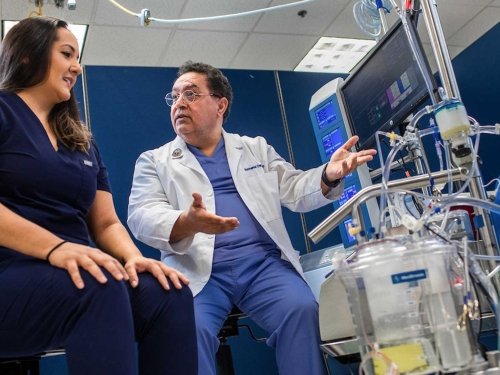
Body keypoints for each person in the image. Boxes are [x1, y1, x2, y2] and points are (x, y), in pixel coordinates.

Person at [127, 61, 376, 375]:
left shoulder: (254, 148)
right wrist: (186, 222)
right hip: (199, 272)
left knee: (301, 311)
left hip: (262, 266)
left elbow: (295, 189)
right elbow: (141, 215)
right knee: (186, 333)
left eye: (190, 94)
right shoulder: (155, 161)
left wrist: (328, 174)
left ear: (220, 105)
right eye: (174, 97)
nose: (179, 103)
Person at [0, 17, 197, 375]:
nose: (77, 66)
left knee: (168, 292)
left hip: (83, 271)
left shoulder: (81, 140)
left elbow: (105, 222)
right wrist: (56, 248)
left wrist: (133, 258)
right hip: (12, 271)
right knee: (98, 282)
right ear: (27, 56)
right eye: (66, 54)